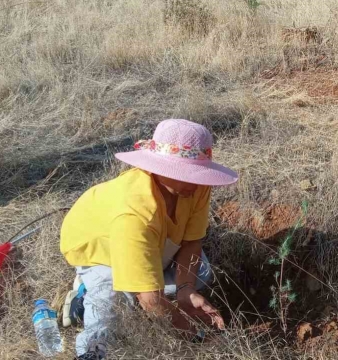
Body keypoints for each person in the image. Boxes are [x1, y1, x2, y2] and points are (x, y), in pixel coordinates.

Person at [59, 119, 238, 359]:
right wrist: (194, 334)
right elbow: (152, 301)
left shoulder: (195, 186)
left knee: (201, 272)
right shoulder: (134, 213)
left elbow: (191, 241)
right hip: (103, 250)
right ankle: (88, 321)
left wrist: (186, 290)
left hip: (155, 239)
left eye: (198, 173)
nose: (196, 182)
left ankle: (136, 286)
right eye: (186, 173)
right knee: (110, 301)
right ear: (159, 168)